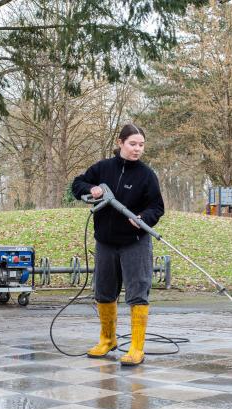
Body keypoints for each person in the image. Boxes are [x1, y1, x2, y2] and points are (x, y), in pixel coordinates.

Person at [71, 124, 164, 366]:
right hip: (106, 242)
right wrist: (90, 188)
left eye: (141, 145)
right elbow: (77, 184)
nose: (137, 149)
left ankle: (136, 348)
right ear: (120, 142)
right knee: (103, 290)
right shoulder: (103, 168)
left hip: (135, 242)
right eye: (133, 144)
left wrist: (144, 218)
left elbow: (157, 206)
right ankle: (107, 340)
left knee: (137, 292)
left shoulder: (146, 175)